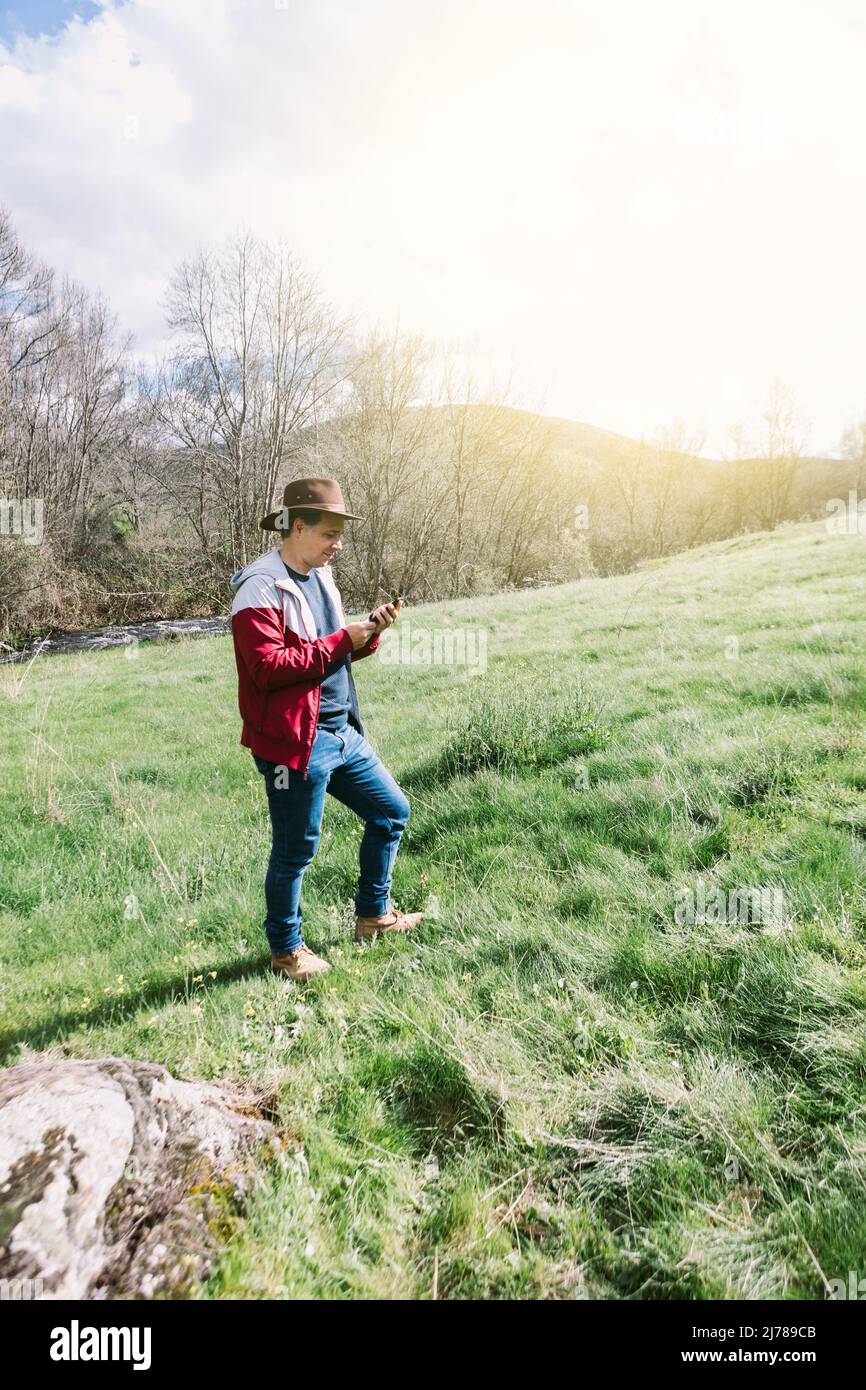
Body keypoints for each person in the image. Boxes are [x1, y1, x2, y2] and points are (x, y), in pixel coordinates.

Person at [229, 477, 424, 981]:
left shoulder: (321, 577)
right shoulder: (259, 587)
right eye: (330, 533)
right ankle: (286, 951)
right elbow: (267, 668)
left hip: (341, 732)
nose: (338, 544)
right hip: (296, 743)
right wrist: (342, 640)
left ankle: (373, 917)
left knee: (391, 810)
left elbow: (334, 651)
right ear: (298, 527)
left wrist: (368, 634)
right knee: (296, 849)